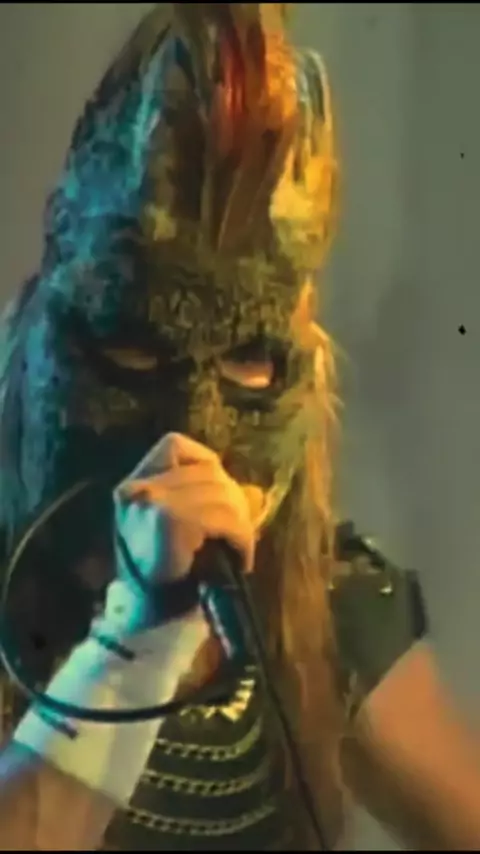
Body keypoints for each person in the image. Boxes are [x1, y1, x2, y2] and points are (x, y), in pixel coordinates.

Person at [0, 3, 478, 851]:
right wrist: (135, 640)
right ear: (42, 335)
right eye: (132, 351)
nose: (191, 437)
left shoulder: (321, 622)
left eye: (249, 364)